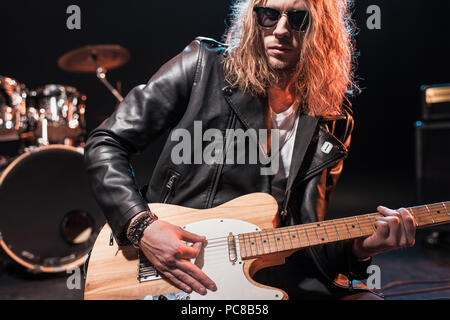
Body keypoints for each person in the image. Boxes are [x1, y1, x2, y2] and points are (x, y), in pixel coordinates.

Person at [84, 0, 416, 300]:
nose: (281, 30)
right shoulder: (202, 66)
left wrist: (360, 248)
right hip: (183, 270)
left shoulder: (331, 118)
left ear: (322, 29)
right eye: (269, 15)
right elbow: (106, 142)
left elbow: (303, 238)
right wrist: (143, 226)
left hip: (269, 276)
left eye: (299, 18)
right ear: (252, 18)